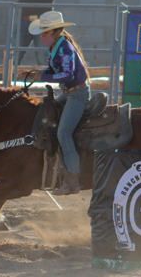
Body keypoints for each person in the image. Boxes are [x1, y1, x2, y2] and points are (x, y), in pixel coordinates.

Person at [24, 11, 91, 196]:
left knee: (63, 133)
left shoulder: (65, 48)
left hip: (77, 95)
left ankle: (73, 180)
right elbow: (56, 70)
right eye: (43, 33)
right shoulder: (56, 47)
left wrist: (42, 76)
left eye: (45, 33)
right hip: (70, 93)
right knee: (46, 116)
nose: (42, 36)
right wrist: (38, 72)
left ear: (57, 31)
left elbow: (67, 75)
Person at [16, 0, 55, 65]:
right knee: (15, 57)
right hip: (24, 21)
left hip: (43, 23)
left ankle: (46, 75)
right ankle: (11, 75)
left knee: (42, 58)